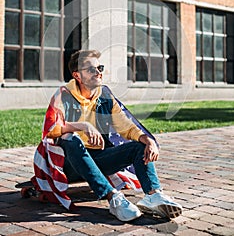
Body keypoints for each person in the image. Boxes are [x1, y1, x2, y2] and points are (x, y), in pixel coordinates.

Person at [33, 49, 182, 222]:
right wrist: (81, 125)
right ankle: (113, 198)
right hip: (69, 165)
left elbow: (126, 126)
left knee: (139, 146)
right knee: (70, 138)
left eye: (100, 68)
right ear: (77, 75)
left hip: (99, 159)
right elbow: (50, 130)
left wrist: (147, 139)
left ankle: (153, 195)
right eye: (91, 69)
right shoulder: (63, 95)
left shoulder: (105, 95)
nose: (98, 73)